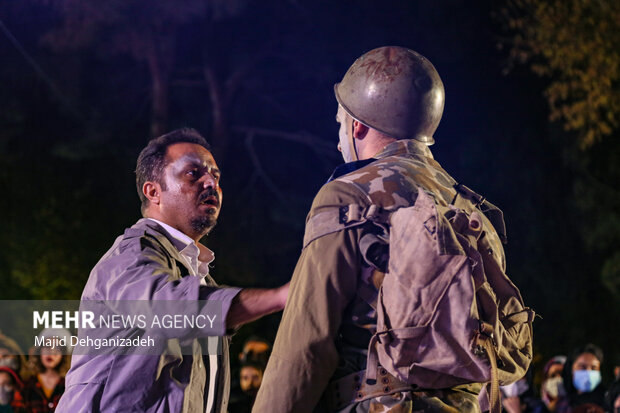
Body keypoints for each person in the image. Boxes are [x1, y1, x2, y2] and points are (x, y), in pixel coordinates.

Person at [253, 46, 508, 412]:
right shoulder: (474, 209)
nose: (339, 135)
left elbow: (306, 344)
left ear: (357, 125)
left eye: (340, 122)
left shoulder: (348, 194)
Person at [55, 128, 288, 413]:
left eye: (215, 176)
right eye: (193, 173)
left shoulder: (197, 276)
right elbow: (173, 308)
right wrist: (282, 297)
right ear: (153, 191)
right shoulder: (130, 257)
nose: (210, 183)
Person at [556, 344, 606, 413]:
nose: (588, 372)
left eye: (594, 368)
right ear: (571, 370)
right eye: (582, 367)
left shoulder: (609, 403)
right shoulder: (562, 405)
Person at [21, 342, 69, 413]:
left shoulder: (69, 384)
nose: (52, 352)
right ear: (39, 351)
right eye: (47, 346)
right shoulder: (27, 383)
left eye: (58, 348)